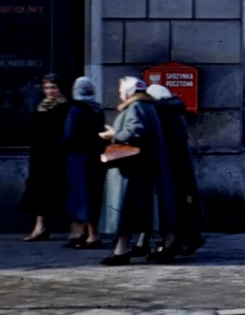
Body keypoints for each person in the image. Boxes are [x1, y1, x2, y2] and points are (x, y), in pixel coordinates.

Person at [98, 77, 173, 266]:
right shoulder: (148, 106)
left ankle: (121, 251)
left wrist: (113, 134)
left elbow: (134, 132)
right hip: (141, 168)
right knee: (136, 212)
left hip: (130, 170)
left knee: (125, 211)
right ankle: (122, 250)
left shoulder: (136, 106)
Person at [145, 84, 204, 261]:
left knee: (170, 207)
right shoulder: (175, 112)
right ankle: (180, 240)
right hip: (180, 166)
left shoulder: (161, 114)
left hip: (168, 166)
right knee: (180, 205)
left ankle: (169, 245)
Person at [18, 75, 69, 241]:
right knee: (39, 189)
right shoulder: (41, 106)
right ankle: (40, 226)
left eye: (53, 87)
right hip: (41, 155)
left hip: (57, 155)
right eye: (47, 88)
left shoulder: (64, 107)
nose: (50, 91)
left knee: (60, 190)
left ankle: (75, 228)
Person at [61, 77, 106, 249]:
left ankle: (88, 236)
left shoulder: (75, 109)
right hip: (96, 156)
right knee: (93, 194)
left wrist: (65, 144)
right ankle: (90, 234)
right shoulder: (98, 109)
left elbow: (69, 134)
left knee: (80, 195)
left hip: (79, 157)